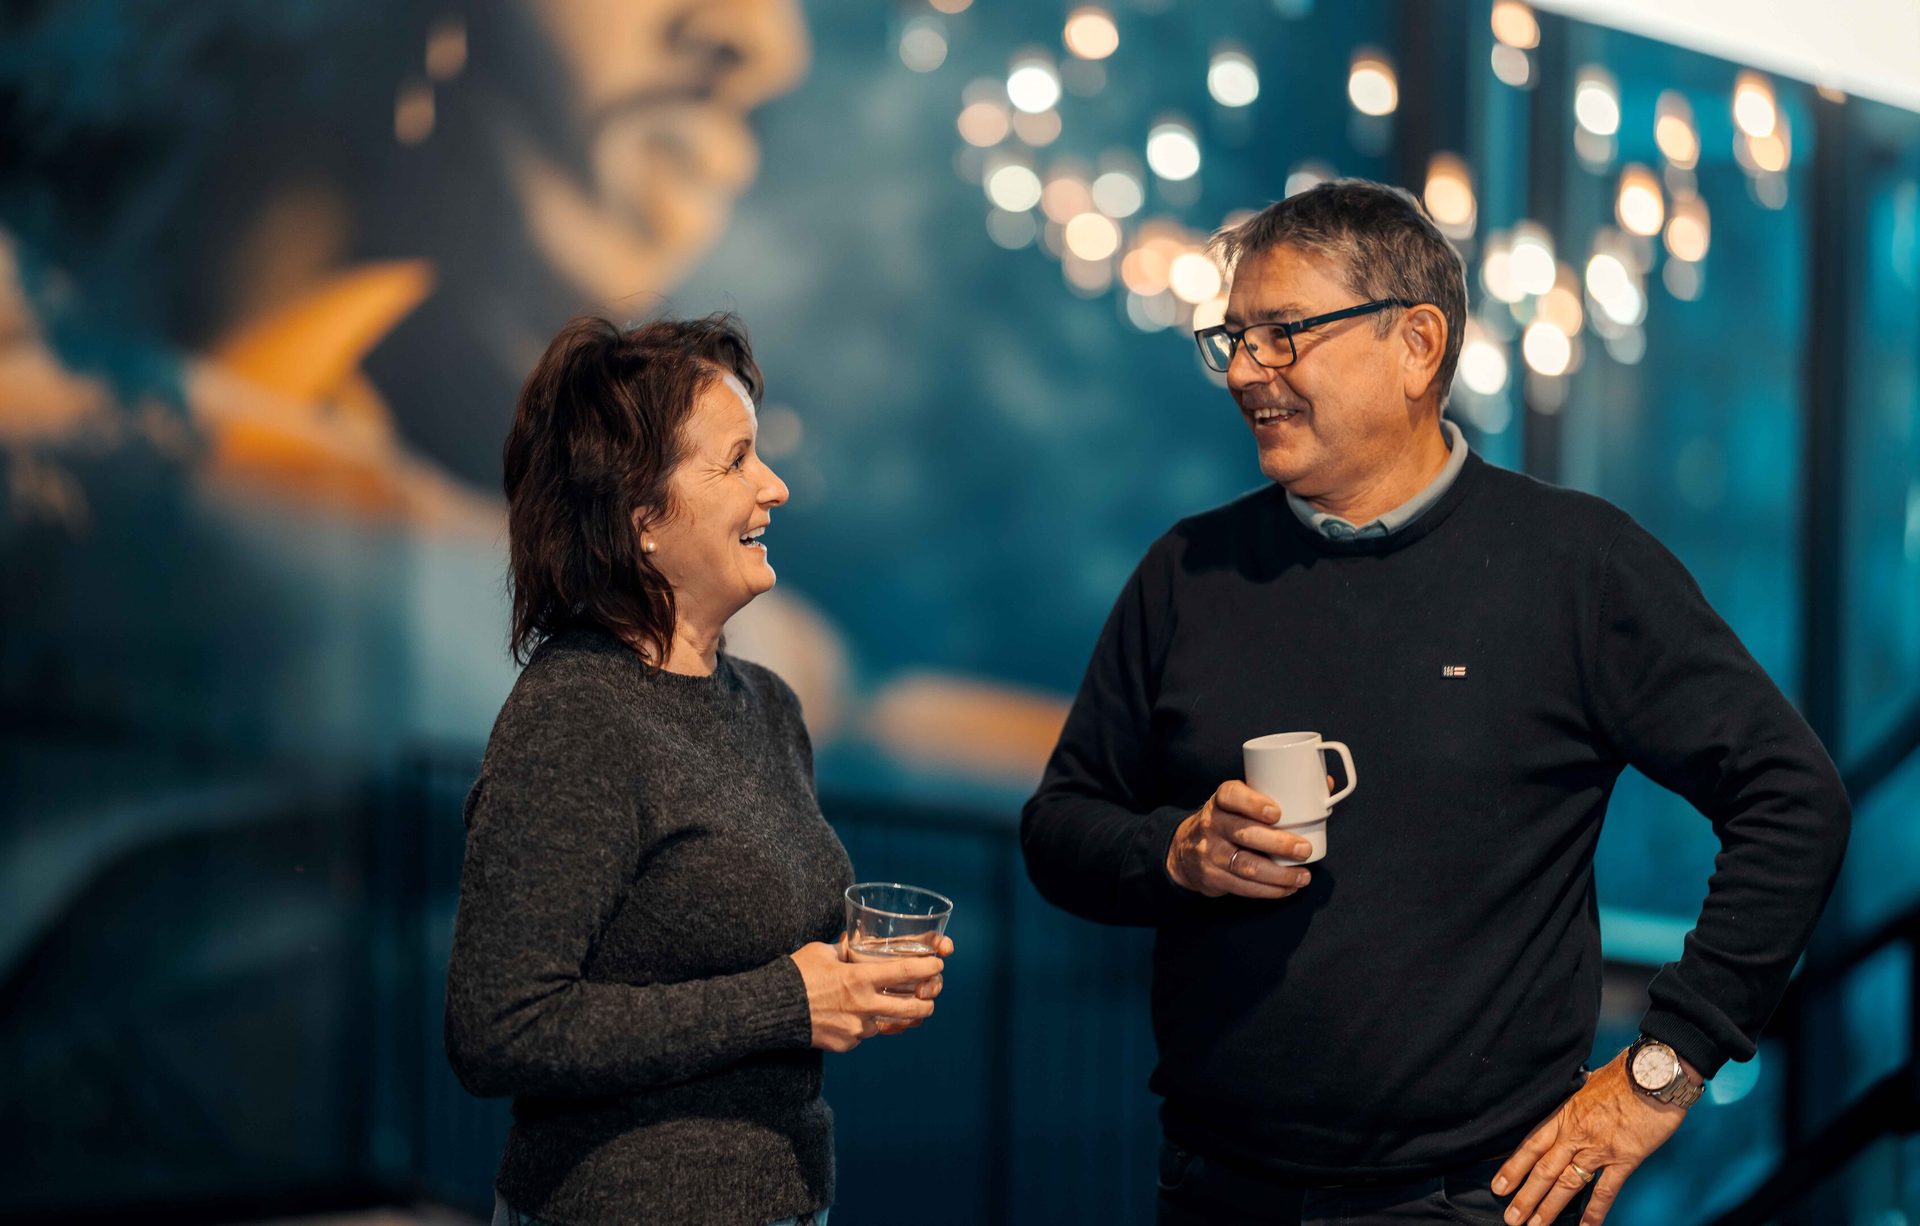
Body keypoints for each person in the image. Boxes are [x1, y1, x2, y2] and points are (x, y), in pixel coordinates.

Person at [1020, 179, 1849, 1226]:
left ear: (1417, 344)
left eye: (1284, 335)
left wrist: (1665, 1067)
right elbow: (1059, 827)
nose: (1243, 371)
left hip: (1471, 1200)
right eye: (1232, 336)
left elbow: (1794, 797)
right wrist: (1176, 852)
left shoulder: (1574, 565)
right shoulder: (1190, 569)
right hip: (1210, 1185)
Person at [444, 314, 950, 1226]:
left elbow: (744, 952)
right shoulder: (577, 716)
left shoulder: (768, 704)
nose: (777, 486)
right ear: (638, 515)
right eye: (737, 460)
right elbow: (499, 1028)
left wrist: (852, 978)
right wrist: (788, 1003)